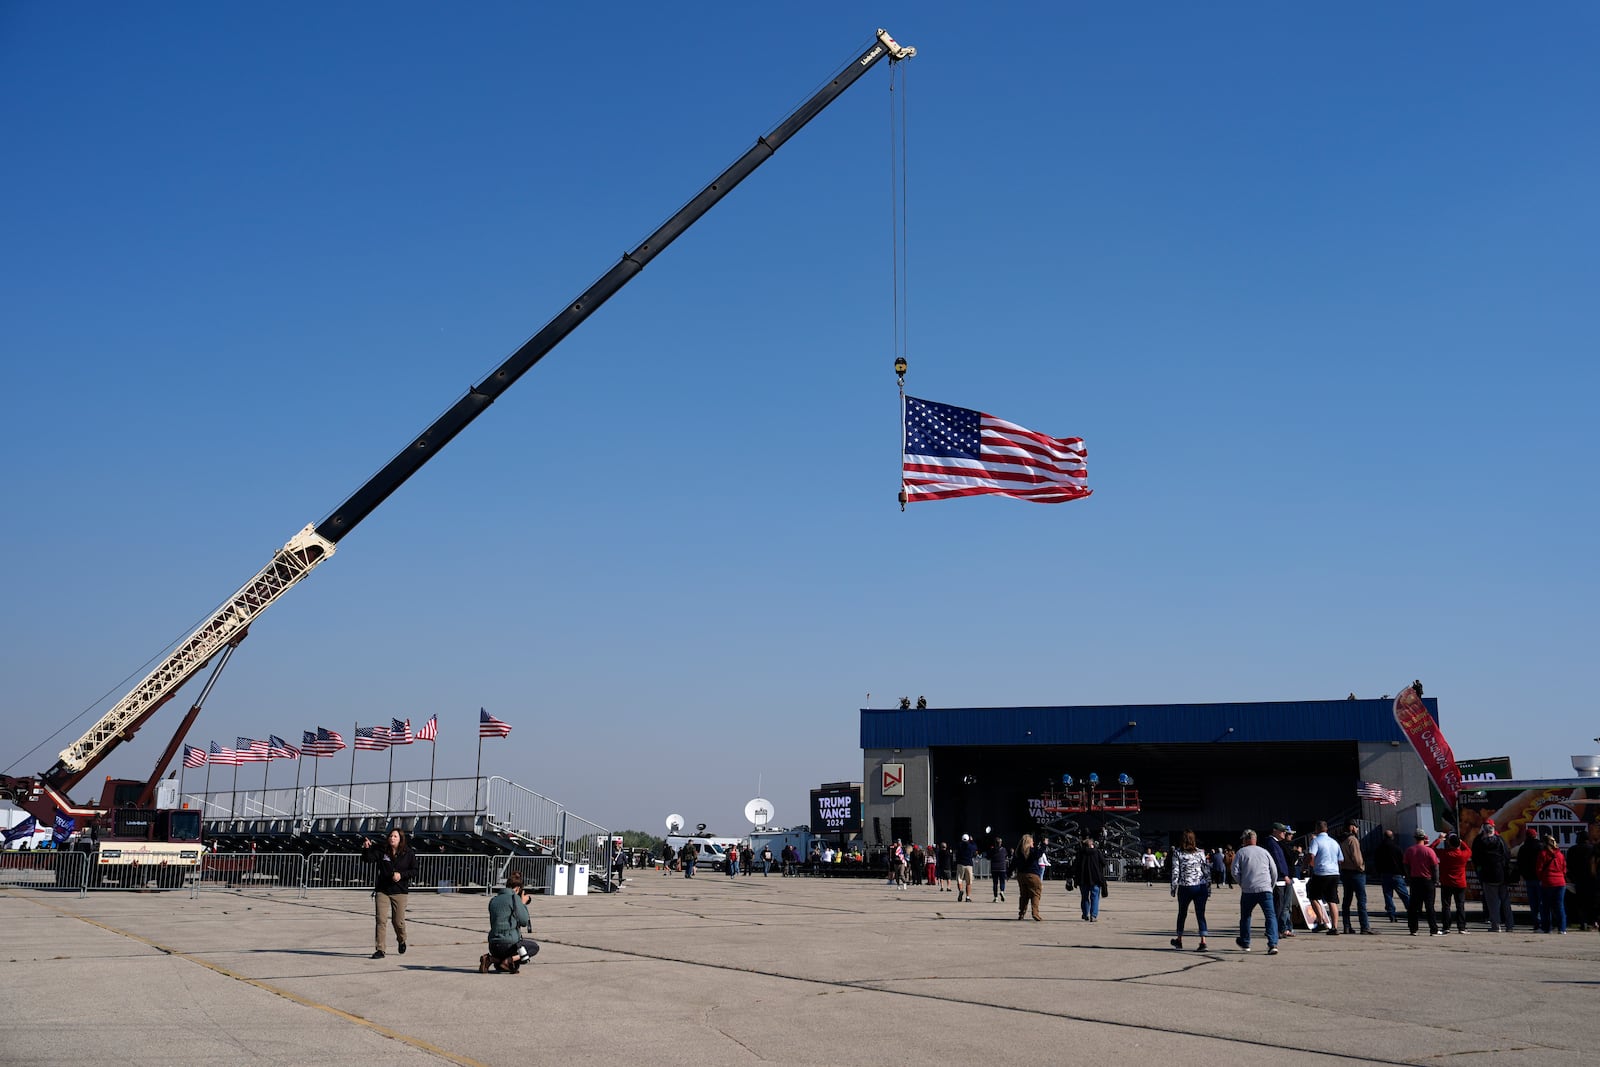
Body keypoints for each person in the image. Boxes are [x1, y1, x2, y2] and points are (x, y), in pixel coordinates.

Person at [361, 828, 415, 959]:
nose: (392, 838)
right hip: (383, 890)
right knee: (381, 920)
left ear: (400, 839)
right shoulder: (382, 851)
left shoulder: (408, 853)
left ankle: (401, 940)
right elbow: (368, 860)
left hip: (399, 891)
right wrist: (366, 849)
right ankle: (380, 949)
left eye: (395, 836)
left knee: (398, 921)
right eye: (391, 836)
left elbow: (414, 871)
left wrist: (401, 875)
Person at [481, 870, 540, 973]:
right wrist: (523, 904)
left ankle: (491, 959)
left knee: (504, 968)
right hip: (508, 945)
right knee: (533, 947)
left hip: (493, 946)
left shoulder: (494, 899)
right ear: (517, 888)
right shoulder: (514, 899)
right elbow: (524, 921)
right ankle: (509, 960)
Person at [1231, 829, 1279, 954]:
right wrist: (1271, 886)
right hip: (1265, 889)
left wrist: (1242, 883)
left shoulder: (1241, 852)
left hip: (1248, 890)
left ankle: (1246, 942)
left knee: (1246, 916)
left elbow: (1234, 871)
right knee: (1270, 916)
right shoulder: (1264, 852)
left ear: (1246, 839)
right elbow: (1274, 871)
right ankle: (1272, 943)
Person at [1169, 829, 1210, 951]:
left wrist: (1173, 888)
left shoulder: (1178, 853)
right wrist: (1209, 887)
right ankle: (1203, 941)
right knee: (1200, 914)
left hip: (1185, 886)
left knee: (1182, 913)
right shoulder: (1200, 852)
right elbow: (1206, 871)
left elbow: (1175, 872)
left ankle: (1179, 939)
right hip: (1200, 886)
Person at [1471, 820, 1513, 932]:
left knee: (1492, 902)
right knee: (1505, 901)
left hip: (1487, 875)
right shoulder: (1500, 841)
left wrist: (1479, 870)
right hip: (1501, 874)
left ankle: (1496, 925)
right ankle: (1509, 926)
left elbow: (1475, 858)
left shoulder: (1479, 842)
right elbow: (1507, 855)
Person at [1306, 821, 1343, 934]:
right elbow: (1341, 859)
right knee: (1332, 900)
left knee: (1312, 895)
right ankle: (1334, 927)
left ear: (1317, 829)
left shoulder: (1316, 841)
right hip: (1334, 872)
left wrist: (1310, 865)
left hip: (1321, 872)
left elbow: (1311, 855)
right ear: (1326, 829)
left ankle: (1321, 920)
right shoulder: (1334, 842)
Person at [1402, 828, 1439, 936]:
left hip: (1415, 881)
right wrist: (1436, 880)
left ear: (1415, 838)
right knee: (1429, 906)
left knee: (1414, 906)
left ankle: (1413, 929)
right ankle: (1433, 929)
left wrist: (1409, 876)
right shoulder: (1429, 851)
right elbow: (1435, 867)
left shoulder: (1409, 850)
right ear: (1424, 838)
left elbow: (1405, 865)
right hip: (1427, 881)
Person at [1337, 823, 1372, 934]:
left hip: (1345, 871)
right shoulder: (1352, 840)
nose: (1357, 829)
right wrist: (1361, 868)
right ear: (1352, 827)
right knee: (1361, 900)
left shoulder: (1341, 840)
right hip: (1356, 873)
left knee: (1347, 900)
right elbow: (1357, 858)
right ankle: (1364, 926)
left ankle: (1347, 926)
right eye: (1356, 827)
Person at [1434, 832, 1471, 934]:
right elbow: (1468, 850)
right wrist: (1461, 842)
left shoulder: (1445, 854)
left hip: (1446, 882)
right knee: (1460, 905)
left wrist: (1439, 839)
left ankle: (1446, 927)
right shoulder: (1463, 855)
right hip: (1460, 883)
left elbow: (1432, 848)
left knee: (1446, 905)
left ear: (1449, 843)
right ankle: (1461, 927)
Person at [1371, 828, 1411, 924]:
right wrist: (1406, 874)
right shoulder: (1397, 848)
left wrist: (1378, 872)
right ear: (1392, 837)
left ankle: (1391, 914)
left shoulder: (1379, 848)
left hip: (1385, 874)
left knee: (1388, 895)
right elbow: (1403, 862)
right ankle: (1411, 911)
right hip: (1396, 874)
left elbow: (1376, 862)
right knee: (1404, 895)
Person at [1264, 823, 1294, 937]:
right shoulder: (1272, 843)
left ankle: (1275, 929)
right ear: (1275, 831)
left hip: (1281, 879)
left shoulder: (1275, 843)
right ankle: (1273, 930)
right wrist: (1284, 874)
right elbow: (1277, 860)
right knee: (1278, 906)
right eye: (1282, 831)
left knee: (1280, 906)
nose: (1284, 833)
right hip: (1279, 879)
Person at [1535, 832, 1568, 934]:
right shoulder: (1560, 855)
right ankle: (1562, 928)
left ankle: (1546, 928)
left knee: (1546, 907)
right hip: (1560, 883)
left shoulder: (1543, 854)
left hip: (1547, 882)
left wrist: (1542, 878)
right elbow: (1564, 869)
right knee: (1560, 906)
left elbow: (1539, 869)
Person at [1073, 837, 1108, 922]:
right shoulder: (1097, 852)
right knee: (1095, 897)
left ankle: (1085, 914)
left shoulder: (1080, 853)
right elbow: (1104, 863)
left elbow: (1075, 865)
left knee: (1084, 897)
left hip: (1083, 879)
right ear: (1092, 845)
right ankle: (1093, 915)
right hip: (1095, 878)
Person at [1516, 828, 1544, 933]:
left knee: (1533, 903)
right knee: (1542, 902)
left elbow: (1520, 863)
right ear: (1535, 835)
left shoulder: (1523, 848)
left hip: (1529, 878)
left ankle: (1536, 923)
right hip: (1540, 878)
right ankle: (1543, 923)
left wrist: (1524, 874)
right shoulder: (1541, 847)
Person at [1011, 833, 1044, 921]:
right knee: (1035, 894)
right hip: (1032, 875)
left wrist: (1008, 872)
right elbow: (1038, 854)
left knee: (1024, 895)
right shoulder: (1031, 851)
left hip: (1021, 875)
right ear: (1029, 842)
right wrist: (1044, 845)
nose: (1033, 843)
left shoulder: (1018, 852)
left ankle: (1021, 913)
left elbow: (1013, 863)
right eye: (1032, 842)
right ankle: (1035, 913)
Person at [955, 834, 977, 902]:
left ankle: (961, 890)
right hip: (969, 864)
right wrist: (972, 841)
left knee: (960, 879)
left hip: (960, 864)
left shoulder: (959, 845)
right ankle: (967, 897)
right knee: (968, 882)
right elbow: (975, 848)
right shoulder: (971, 846)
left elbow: (956, 852)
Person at [988, 837, 1009, 903]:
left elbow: (988, 856)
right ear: (1001, 843)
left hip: (994, 868)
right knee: (1002, 881)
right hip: (1002, 868)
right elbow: (1005, 856)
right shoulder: (1004, 850)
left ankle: (995, 897)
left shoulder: (992, 850)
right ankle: (1002, 891)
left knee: (995, 883)